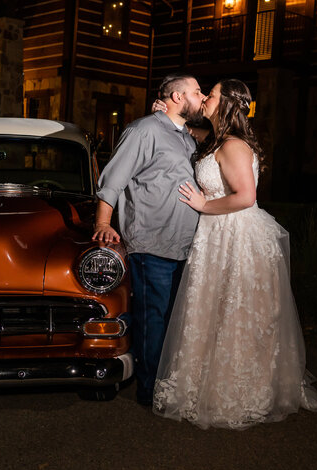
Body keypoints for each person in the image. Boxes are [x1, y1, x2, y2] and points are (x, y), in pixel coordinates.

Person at [152, 79, 317, 429]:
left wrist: (203, 203)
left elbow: (245, 196)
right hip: (218, 234)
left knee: (236, 312)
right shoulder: (218, 140)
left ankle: (238, 391)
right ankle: (207, 381)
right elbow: (201, 143)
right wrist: (174, 118)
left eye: (210, 94)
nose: (204, 98)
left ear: (226, 104)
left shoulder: (233, 145)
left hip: (236, 234)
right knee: (214, 310)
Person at [93, 73, 205, 406]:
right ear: (177, 97)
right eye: (197, 92)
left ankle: (167, 382)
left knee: (172, 319)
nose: (201, 97)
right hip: (153, 243)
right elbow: (113, 179)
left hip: (184, 243)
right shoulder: (143, 131)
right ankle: (152, 391)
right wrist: (102, 221)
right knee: (152, 320)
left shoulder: (185, 135)